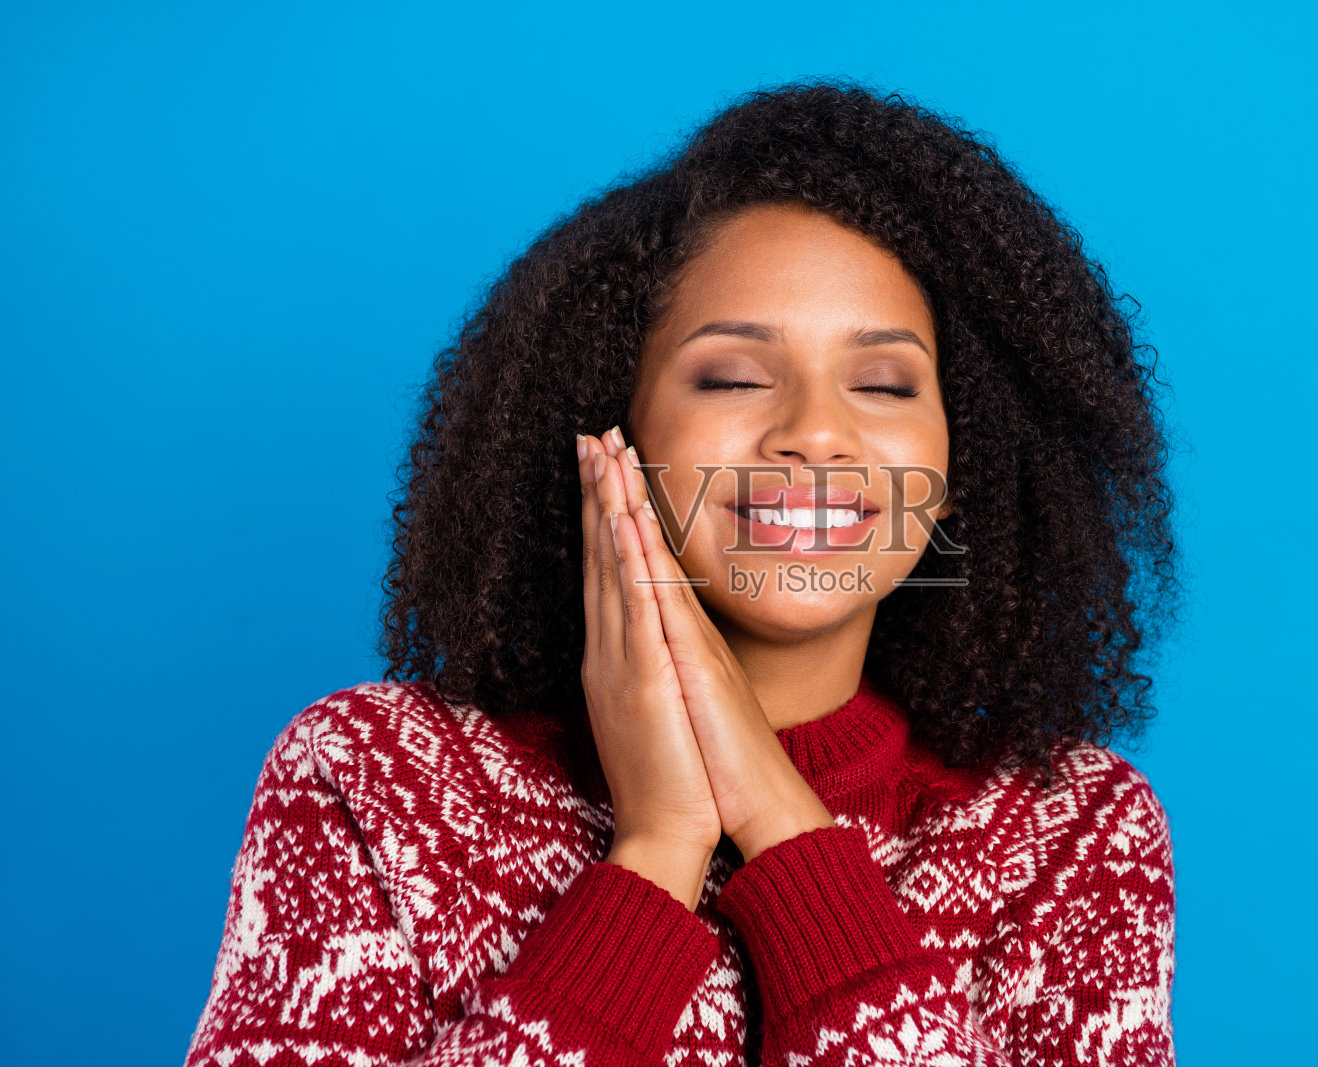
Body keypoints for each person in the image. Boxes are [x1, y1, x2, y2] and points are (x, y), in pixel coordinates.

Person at [184, 79, 1183, 1067]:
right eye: (735, 377)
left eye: (883, 384)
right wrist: (655, 853)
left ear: (964, 470)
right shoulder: (375, 776)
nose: (814, 435)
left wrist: (788, 835)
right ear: (612, 432)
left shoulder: (1072, 833)